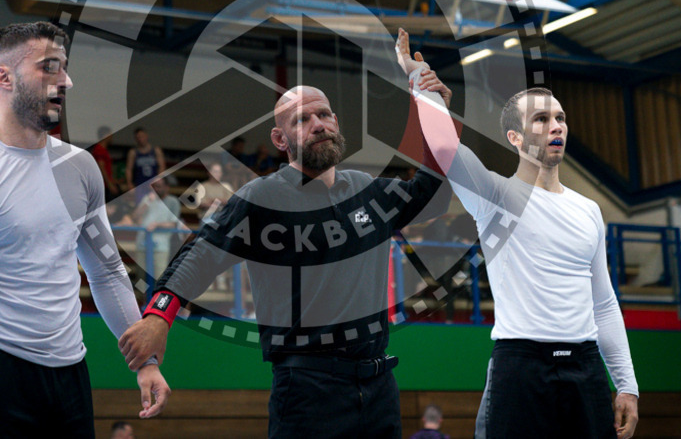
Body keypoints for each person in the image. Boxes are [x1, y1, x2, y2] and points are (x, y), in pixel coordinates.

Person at [119, 81, 451, 439]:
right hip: (307, 393)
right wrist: (159, 316)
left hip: (380, 391)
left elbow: (433, 194)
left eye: (323, 115)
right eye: (302, 120)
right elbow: (199, 256)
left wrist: (439, 117)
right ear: (280, 139)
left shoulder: (367, 190)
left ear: (336, 123)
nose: (318, 125)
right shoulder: (261, 198)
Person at [0, 21, 169, 439]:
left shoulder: (80, 167)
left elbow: (107, 272)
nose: (66, 81)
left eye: (64, 68)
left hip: (70, 373)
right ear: (5, 77)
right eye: (49, 67)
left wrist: (146, 362)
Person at [394, 28, 639, 439]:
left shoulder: (589, 210)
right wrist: (420, 81)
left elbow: (604, 303)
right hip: (521, 367)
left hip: (586, 369)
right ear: (515, 137)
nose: (555, 126)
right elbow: (445, 146)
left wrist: (627, 384)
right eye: (541, 119)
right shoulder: (494, 195)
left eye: (560, 118)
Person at [135, 177, 184, 279]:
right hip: (142, 243)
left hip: (161, 246)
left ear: (166, 187)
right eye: (153, 186)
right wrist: (147, 202)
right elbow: (135, 217)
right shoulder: (147, 199)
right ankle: (141, 291)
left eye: (158, 186)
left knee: (159, 276)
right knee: (141, 278)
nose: (155, 189)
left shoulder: (173, 201)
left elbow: (173, 224)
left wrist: (157, 224)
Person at [124, 128, 164, 201]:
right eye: (138, 137)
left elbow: (161, 166)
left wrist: (157, 181)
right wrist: (129, 184)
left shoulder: (156, 150)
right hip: (139, 184)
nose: (141, 139)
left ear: (146, 136)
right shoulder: (133, 152)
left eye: (142, 136)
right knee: (141, 203)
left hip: (153, 184)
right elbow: (129, 169)